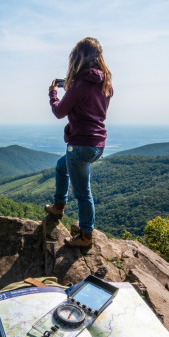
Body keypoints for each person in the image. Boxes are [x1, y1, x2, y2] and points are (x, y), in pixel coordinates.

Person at [45, 37, 113, 248]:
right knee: (60, 167)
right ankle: (58, 205)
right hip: (97, 145)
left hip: (80, 144)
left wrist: (53, 94)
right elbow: (87, 98)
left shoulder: (79, 85)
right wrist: (71, 86)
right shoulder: (106, 84)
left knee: (83, 192)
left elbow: (59, 111)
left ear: (78, 58)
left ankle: (86, 235)